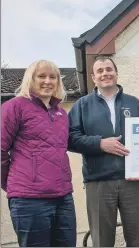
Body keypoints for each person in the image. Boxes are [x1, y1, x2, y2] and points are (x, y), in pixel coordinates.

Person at [68, 56, 139, 247]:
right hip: (98, 181)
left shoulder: (134, 102)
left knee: (137, 239)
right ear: (93, 77)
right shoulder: (82, 105)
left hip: (133, 182)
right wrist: (99, 144)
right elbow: (70, 138)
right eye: (100, 71)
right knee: (102, 240)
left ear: (116, 73)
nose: (105, 73)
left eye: (109, 69)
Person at [1, 60, 76, 247]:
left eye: (53, 77)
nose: (48, 81)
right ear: (30, 79)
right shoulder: (14, 106)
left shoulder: (61, 114)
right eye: (41, 76)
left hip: (63, 197)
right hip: (29, 200)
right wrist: (11, 183)